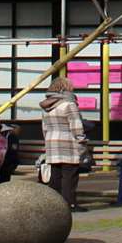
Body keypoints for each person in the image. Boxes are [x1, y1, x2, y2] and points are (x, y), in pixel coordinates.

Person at [39, 76, 90, 211]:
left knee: (55, 175)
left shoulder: (46, 106)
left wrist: (48, 140)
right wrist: (81, 140)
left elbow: (44, 127)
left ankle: (54, 204)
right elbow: (76, 126)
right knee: (70, 175)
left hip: (52, 142)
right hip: (68, 142)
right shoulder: (69, 104)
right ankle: (69, 203)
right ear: (65, 89)